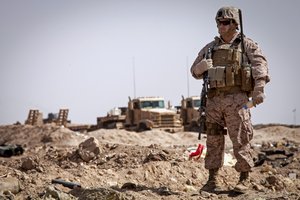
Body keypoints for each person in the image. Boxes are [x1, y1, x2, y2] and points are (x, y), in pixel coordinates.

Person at [190, 6, 270, 194]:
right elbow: (194, 71)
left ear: (235, 24)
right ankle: (212, 179)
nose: (221, 26)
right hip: (214, 101)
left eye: (225, 22)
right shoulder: (210, 48)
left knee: (241, 139)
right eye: (219, 22)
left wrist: (259, 89)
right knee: (214, 140)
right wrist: (200, 68)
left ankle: (244, 178)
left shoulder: (247, 45)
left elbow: (260, 66)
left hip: (237, 100)